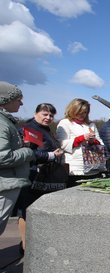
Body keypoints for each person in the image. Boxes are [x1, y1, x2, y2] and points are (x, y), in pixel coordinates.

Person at [0, 82, 34, 273]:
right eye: (17, 98)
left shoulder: (5, 122)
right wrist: (27, 152)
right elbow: (2, 156)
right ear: (5, 99)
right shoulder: (2, 124)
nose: (21, 102)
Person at [16, 103, 64, 254]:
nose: (48, 118)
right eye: (45, 114)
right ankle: (25, 246)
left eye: (51, 115)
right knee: (26, 211)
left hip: (43, 175)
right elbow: (28, 153)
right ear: (36, 113)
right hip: (32, 175)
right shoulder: (29, 129)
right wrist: (51, 155)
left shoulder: (45, 130)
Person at [56, 98, 104, 187]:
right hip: (75, 169)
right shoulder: (65, 123)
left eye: (85, 112)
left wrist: (93, 141)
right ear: (72, 110)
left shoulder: (91, 124)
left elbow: (101, 144)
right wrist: (82, 138)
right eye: (79, 112)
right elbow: (62, 144)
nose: (82, 115)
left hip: (93, 167)